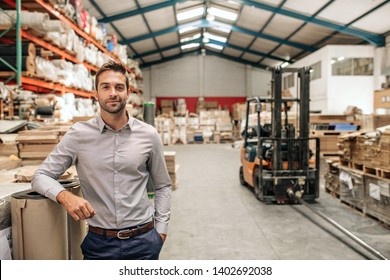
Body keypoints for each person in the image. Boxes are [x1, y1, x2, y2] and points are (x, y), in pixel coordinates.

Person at [31, 60, 172, 260]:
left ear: (128, 92)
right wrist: (65, 196)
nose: (113, 93)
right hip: (100, 244)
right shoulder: (79, 135)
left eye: (119, 87)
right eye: (106, 87)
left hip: (144, 241)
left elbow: (163, 186)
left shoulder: (148, 135)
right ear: (95, 93)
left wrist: (160, 232)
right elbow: (40, 176)